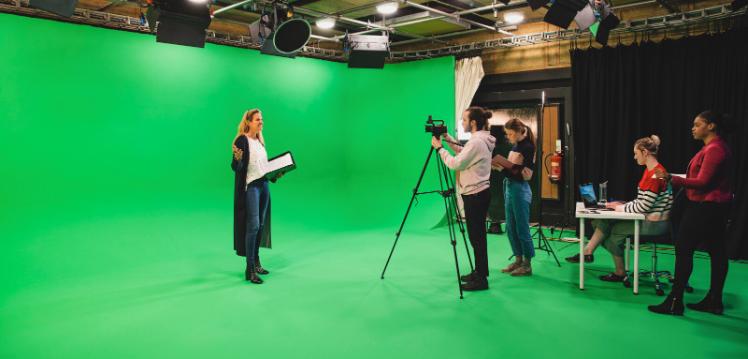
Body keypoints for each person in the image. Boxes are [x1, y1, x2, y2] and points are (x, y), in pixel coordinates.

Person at [649, 111, 734, 315]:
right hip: (715, 209)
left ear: (711, 126)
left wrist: (671, 178)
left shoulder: (714, 149)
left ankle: (675, 301)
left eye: (697, 124)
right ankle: (714, 300)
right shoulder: (716, 148)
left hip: (704, 208)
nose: (693, 128)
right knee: (717, 251)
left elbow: (703, 183)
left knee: (685, 250)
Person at [565, 136, 673, 282]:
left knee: (613, 233)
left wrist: (620, 207)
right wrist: (620, 206)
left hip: (653, 223)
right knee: (602, 221)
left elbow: (644, 206)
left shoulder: (655, 174)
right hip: (649, 218)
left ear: (645, 152)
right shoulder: (652, 170)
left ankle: (618, 271)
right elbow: (643, 201)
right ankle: (588, 252)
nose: (635, 157)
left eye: (636, 153)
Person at [433, 107, 495, 291]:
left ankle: (481, 279)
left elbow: (456, 163)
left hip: (475, 195)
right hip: (478, 193)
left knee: (477, 238)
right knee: (477, 237)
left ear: (473, 123)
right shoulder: (481, 139)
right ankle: (479, 272)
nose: (462, 122)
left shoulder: (477, 142)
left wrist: (439, 149)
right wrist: (448, 139)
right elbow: (463, 150)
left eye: (464, 120)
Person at [231, 109, 281, 284]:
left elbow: (263, 167)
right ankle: (249, 268)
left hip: (264, 185)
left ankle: (257, 261)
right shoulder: (242, 140)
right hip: (251, 187)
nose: (261, 122)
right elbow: (235, 167)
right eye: (258, 119)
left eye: (262, 119)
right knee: (252, 226)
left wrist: (275, 174)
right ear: (249, 122)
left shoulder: (260, 141)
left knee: (260, 224)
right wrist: (237, 159)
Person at [494, 118, 536, 276]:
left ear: (519, 132)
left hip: (520, 190)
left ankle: (527, 264)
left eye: (511, 134)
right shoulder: (517, 145)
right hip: (510, 188)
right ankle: (518, 260)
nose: (508, 137)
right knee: (511, 227)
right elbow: (513, 170)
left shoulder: (528, 147)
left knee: (522, 228)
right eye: (507, 134)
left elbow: (525, 175)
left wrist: (501, 169)